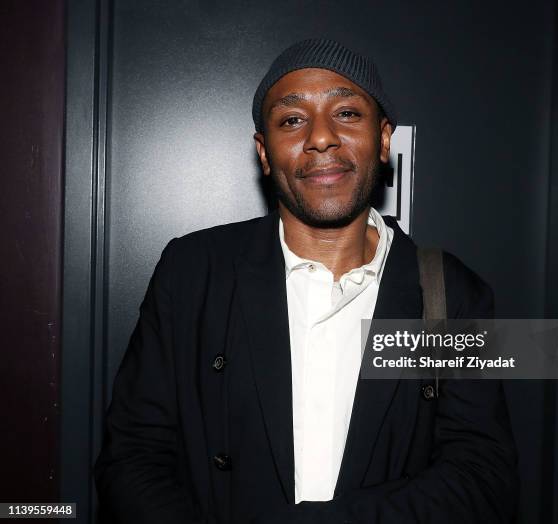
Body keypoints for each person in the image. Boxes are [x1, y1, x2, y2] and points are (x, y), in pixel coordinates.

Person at [94, 38, 518, 523]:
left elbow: (482, 475)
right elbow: (133, 456)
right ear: (264, 152)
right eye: (292, 119)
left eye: (347, 113)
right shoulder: (194, 271)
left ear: (383, 141)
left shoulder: (448, 290)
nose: (320, 137)